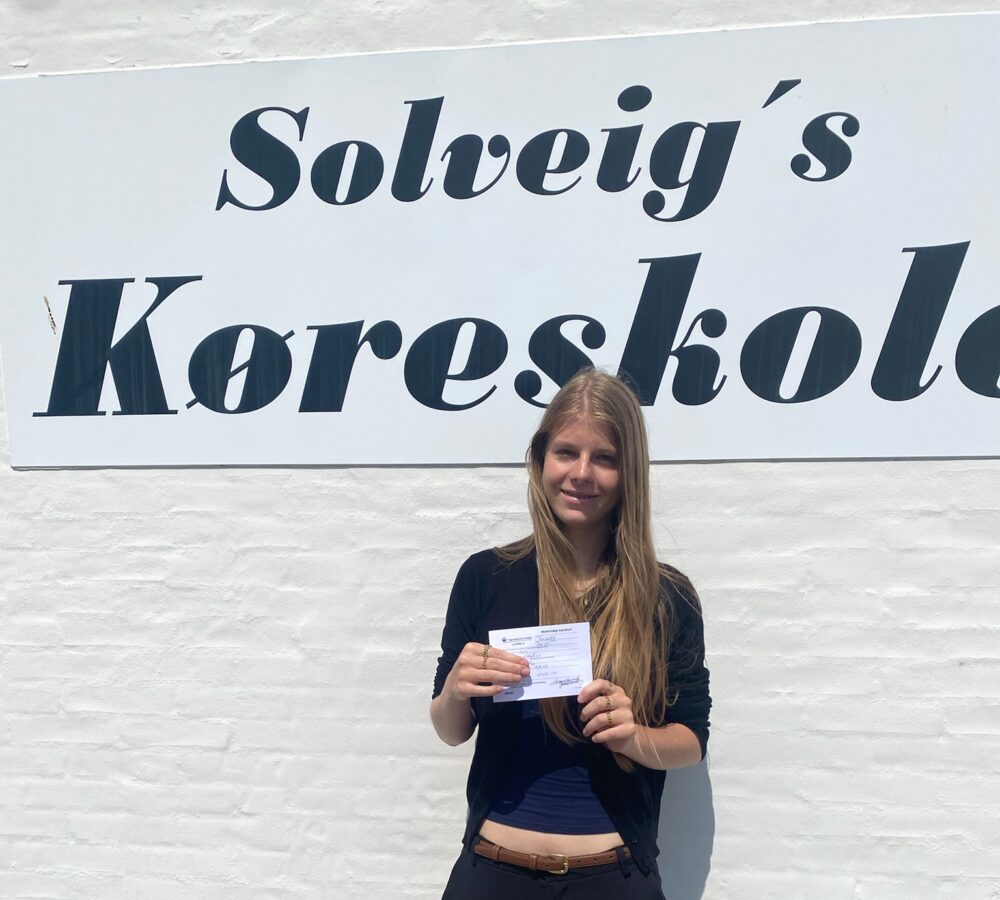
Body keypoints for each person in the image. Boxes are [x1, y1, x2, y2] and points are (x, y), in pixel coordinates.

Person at [430, 368, 711, 899]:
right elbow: (450, 730)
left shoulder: (665, 595)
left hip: (613, 878)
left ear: (629, 473)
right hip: (492, 873)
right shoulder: (485, 577)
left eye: (604, 458)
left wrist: (633, 737)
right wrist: (455, 690)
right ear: (540, 460)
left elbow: (692, 741)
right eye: (566, 452)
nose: (581, 473)